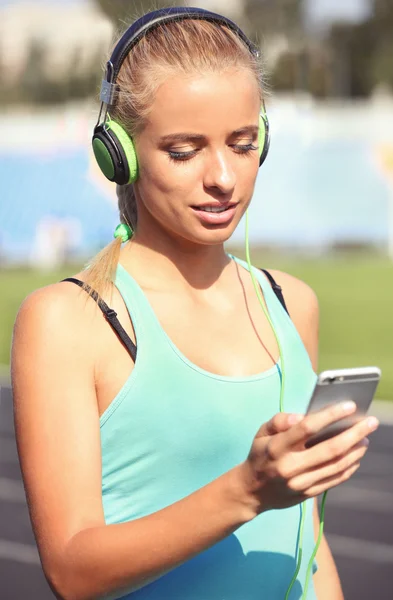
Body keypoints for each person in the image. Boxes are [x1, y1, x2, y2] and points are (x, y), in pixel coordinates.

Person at [11, 7, 378, 600]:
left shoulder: (292, 305)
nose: (224, 178)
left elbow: (308, 542)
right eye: (184, 150)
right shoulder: (68, 321)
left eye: (242, 144)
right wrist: (249, 490)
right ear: (119, 154)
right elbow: (72, 571)